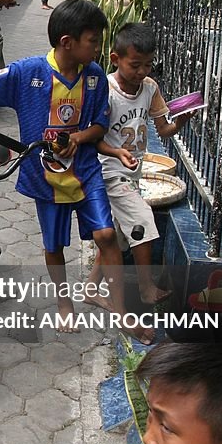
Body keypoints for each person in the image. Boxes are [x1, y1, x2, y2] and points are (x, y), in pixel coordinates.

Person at [0, 0, 151, 342]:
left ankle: (120, 309)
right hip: (45, 177)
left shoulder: (95, 78)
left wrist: (78, 137)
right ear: (67, 42)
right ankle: (63, 302)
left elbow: (100, 127)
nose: (99, 47)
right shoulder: (27, 72)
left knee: (106, 236)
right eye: (93, 40)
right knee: (54, 245)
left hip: (86, 169)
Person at [85, 23, 195, 309]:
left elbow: (163, 129)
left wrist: (181, 120)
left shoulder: (150, 88)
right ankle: (146, 287)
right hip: (107, 171)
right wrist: (117, 152)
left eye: (148, 65)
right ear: (115, 58)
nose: (142, 71)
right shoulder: (104, 90)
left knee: (119, 238)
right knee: (143, 218)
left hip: (132, 172)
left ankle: (90, 288)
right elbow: (93, 138)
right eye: (135, 65)